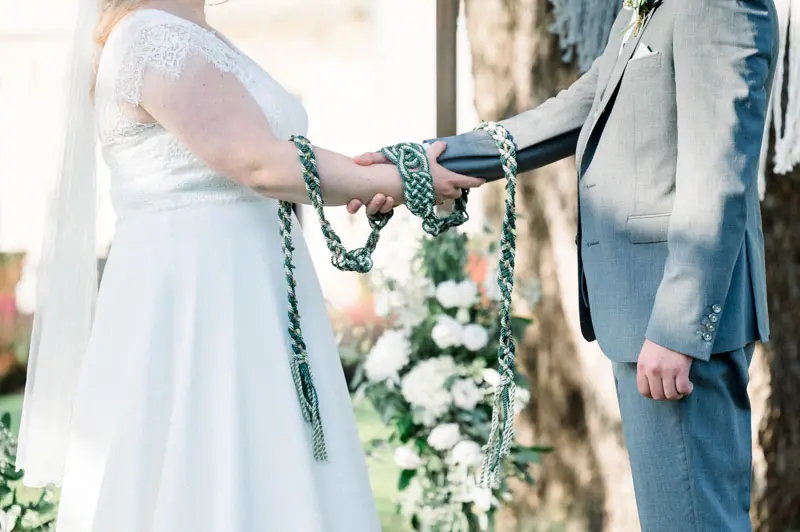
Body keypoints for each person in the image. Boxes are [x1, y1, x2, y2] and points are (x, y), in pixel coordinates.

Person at [16, 0, 483, 530]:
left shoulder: (195, 34)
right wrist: (401, 179)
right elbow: (255, 161)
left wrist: (375, 171)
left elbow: (280, 159)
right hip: (202, 299)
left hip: (252, 287)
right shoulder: (149, 35)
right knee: (206, 465)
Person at [352, 1, 778, 530]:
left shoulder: (721, 5)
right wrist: (418, 163)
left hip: (675, 326)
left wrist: (677, 329)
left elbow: (720, 174)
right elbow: (570, 110)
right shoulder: (647, 9)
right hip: (644, 316)